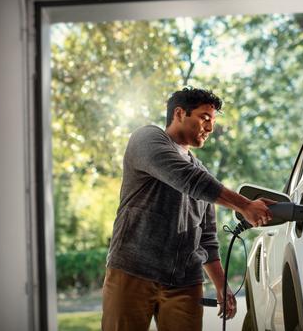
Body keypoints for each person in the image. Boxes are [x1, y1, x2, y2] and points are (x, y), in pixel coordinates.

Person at [102, 87, 273, 331]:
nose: (210, 128)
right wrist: (245, 205)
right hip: (133, 270)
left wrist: (221, 285)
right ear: (180, 113)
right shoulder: (147, 139)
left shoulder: (202, 174)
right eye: (205, 118)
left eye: (213, 121)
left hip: (185, 281)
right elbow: (186, 179)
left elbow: (207, 237)